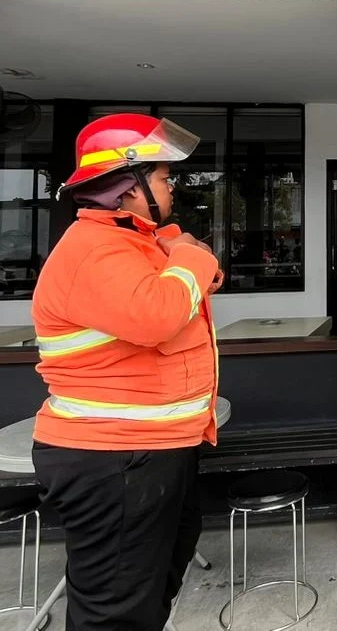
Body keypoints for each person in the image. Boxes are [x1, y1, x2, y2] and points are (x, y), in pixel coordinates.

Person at [31, 113, 223, 631]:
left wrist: (180, 250)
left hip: (147, 454)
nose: (172, 186)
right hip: (113, 461)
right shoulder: (94, 249)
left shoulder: (135, 243)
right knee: (115, 615)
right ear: (127, 186)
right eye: (163, 177)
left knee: (148, 598)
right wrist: (184, 251)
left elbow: (208, 272)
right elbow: (160, 313)